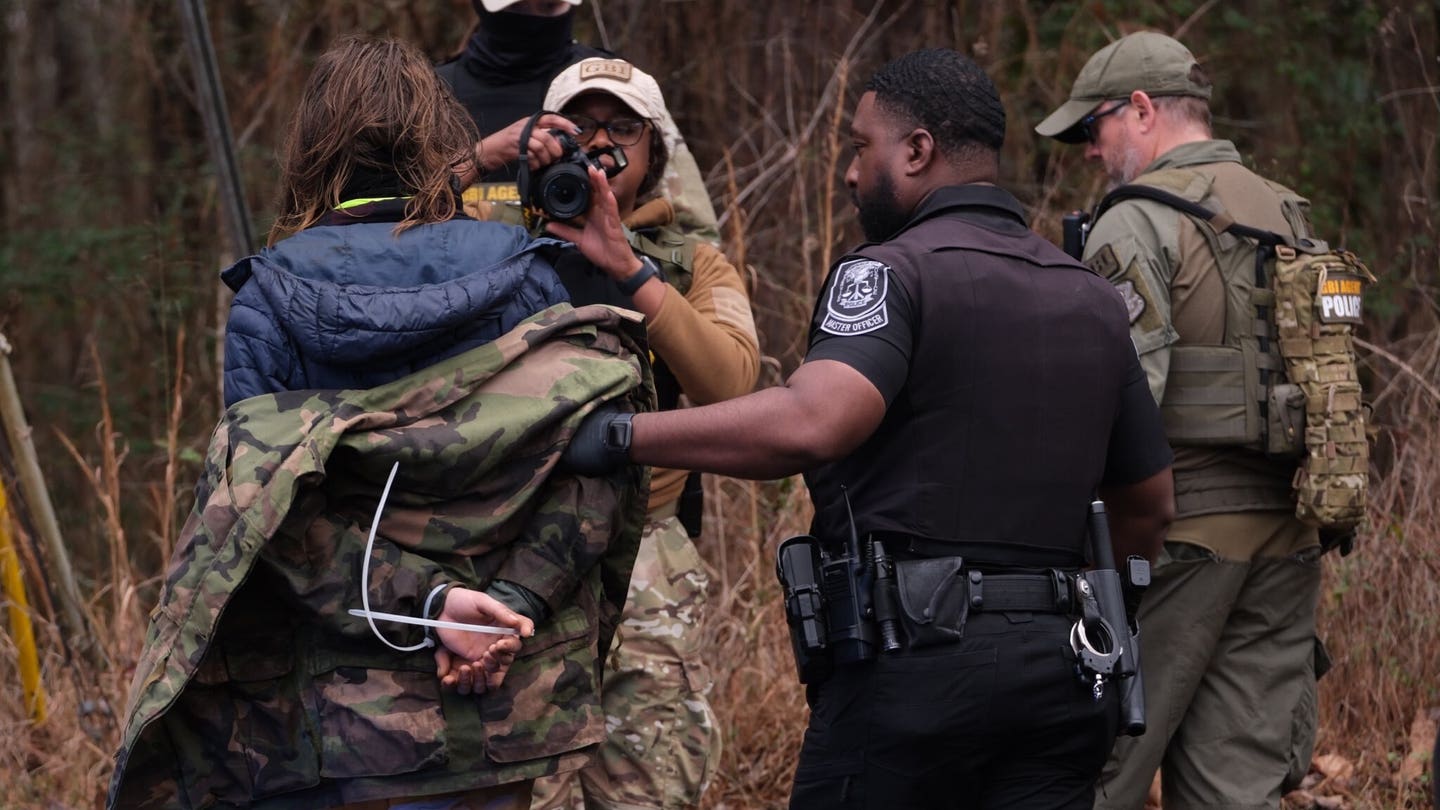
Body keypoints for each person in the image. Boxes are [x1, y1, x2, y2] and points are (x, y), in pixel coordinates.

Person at [556, 47, 1176, 808]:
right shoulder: (1093, 299)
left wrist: (617, 437)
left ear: (916, 152)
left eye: (859, 147)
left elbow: (812, 423)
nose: (850, 173)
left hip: (913, 675)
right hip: (1066, 674)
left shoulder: (888, 271)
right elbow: (1149, 507)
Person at [108, 35, 655, 810]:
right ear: (441, 142)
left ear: (311, 150)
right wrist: (506, 613)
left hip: (333, 726)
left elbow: (268, 513)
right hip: (493, 713)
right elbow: (591, 468)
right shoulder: (525, 278)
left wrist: (428, 608)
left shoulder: (270, 303)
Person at [1036, 31, 1327, 808]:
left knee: (1098, 771)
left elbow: (1119, 404)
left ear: (1139, 110)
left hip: (1180, 542)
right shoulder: (1289, 213)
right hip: (1289, 539)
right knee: (1240, 786)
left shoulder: (1134, 221)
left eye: (1093, 130)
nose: (1091, 154)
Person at [515, 57, 760, 810]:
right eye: (578, 129)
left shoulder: (690, 264)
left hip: (645, 544)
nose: (600, 148)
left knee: (651, 783)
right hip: (512, 546)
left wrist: (630, 271)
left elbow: (732, 384)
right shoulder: (492, 251)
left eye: (623, 130)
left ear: (655, 153)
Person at [435, 0, 720, 240]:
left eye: (548, 5)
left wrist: (640, 274)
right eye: (519, 7)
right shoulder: (430, 97)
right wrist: (482, 157)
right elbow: (398, 216)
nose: (534, 20)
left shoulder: (611, 86)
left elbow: (696, 234)